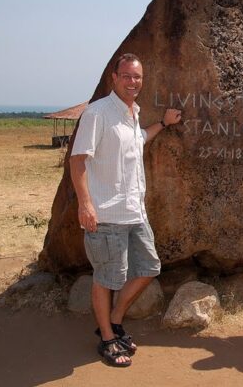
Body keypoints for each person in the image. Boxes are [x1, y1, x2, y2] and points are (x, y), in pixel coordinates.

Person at [70, 53, 182, 367]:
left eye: (137, 77)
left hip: (135, 212)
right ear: (114, 78)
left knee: (149, 267)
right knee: (106, 278)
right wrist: (85, 203)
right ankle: (107, 339)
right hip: (106, 215)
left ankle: (115, 320)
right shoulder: (98, 113)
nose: (133, 82)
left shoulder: (132, 113)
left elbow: (138, 140)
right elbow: (78, 160)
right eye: (127, 76)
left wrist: (162, 123)